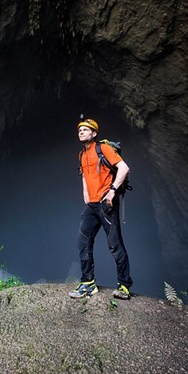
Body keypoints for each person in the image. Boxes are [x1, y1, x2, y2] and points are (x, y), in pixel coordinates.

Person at [69, 118, 133, 300]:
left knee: (115, 245)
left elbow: (124, 168)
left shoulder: (103, 149)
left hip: (107, 203)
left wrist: (112, 192)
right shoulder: (81, 154)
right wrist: (86, 194)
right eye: (80, 129)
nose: (81, 131)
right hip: (92, 205)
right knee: (83, 242)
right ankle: (88, 283)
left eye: (86, 129)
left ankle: (124, 286)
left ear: (94, 133)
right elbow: (84, 174)